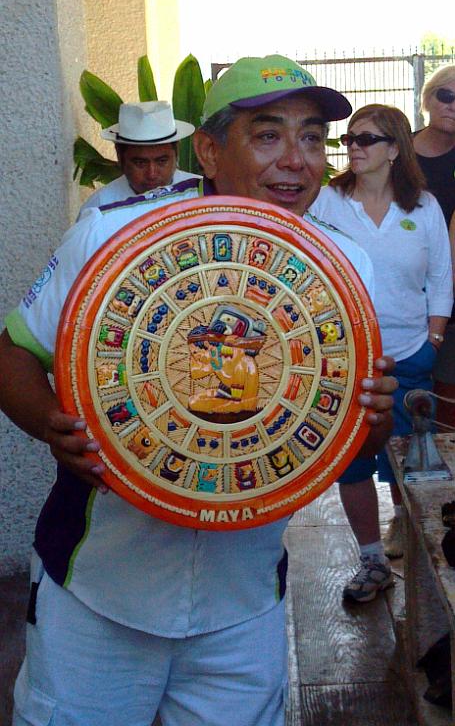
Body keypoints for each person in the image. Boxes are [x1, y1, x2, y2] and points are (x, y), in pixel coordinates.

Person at [0, 55, 397, 726]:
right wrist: (50, 425)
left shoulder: (341, 269)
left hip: (241, 605)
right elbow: (13, 353)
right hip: (98, 595)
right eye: (267, 135)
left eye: (309, 137)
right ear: (209, 150)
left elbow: (350, 429)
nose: (295, 160)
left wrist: (375, 418)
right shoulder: (113, 238)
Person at [311, 104, 453, 602]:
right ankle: (371, 560)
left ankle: (412, 546)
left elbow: (440, 277)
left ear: (395, 148)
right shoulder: (327, 202)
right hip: (346, 362)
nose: (353, 147)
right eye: (349, 139)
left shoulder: (424, 207)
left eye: (367, 139)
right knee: (351, 465)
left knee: (406, 463)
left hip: (411, 353)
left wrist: (433, 340)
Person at [413, 66, 455, 429]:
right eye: (447, 95)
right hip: (407, 284)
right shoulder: (395, 152)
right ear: (429, 98)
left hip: (449, 285)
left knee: (446, 399)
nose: (453, 105)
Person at [79, 100, 200, 214]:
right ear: (120, 157)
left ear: (177, 152)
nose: (152, 174)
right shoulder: (99, 209)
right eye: (140, 163)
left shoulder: (202, 195)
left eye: (162, 161)